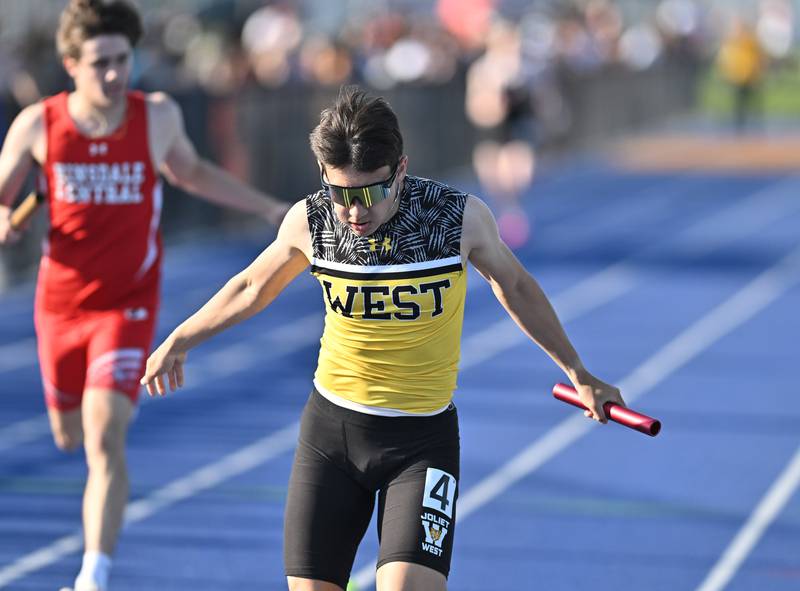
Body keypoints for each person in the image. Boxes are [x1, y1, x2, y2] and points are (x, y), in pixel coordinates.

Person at [141, 86, 624, 591]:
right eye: (340, 194)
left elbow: (517, 286)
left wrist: (578, 372)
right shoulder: (311, 222)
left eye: (370, 193)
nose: (354, 212)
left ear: (401, 170)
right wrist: (179, 339)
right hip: (332, 437)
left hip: (422, 443)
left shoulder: (456, 219)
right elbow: (250, 287)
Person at [0, 1, 287, 590]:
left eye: (122, 60)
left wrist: (265, 208)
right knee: (68, 434)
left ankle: (93, 575)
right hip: (60, 304)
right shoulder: (38, 124)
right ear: (71, 64)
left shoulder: (154, 116)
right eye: (101, 62)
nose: (114, 74)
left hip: (128, 301)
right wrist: (5, 218)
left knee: (105, 434)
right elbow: (3, 198)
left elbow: (194, 173)